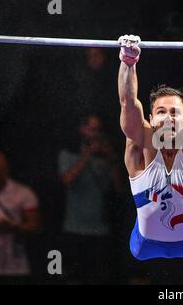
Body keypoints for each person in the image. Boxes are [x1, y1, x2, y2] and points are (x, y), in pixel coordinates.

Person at [117, 34, 183, 260]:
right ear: (152, 119)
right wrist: (128, 61)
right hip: (144, 244)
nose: (167, 118)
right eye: (161, 112)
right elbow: (128, 102)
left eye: (175, 113)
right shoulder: (142, 144)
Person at [57, 114, 123, 283]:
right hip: (74, 228)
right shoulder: (68, 154)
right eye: (91, 129)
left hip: (100, 229)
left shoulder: (105, 159)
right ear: (81, 129)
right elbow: (66, 180)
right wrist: (87, 154)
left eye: (97, 130)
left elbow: (118, 188)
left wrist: (111, 158)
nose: (94, 134)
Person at [0, 150, 41, 285]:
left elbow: (34, 225)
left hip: (15, 265)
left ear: (7, 170)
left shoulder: (23, 193)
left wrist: (13, 227)